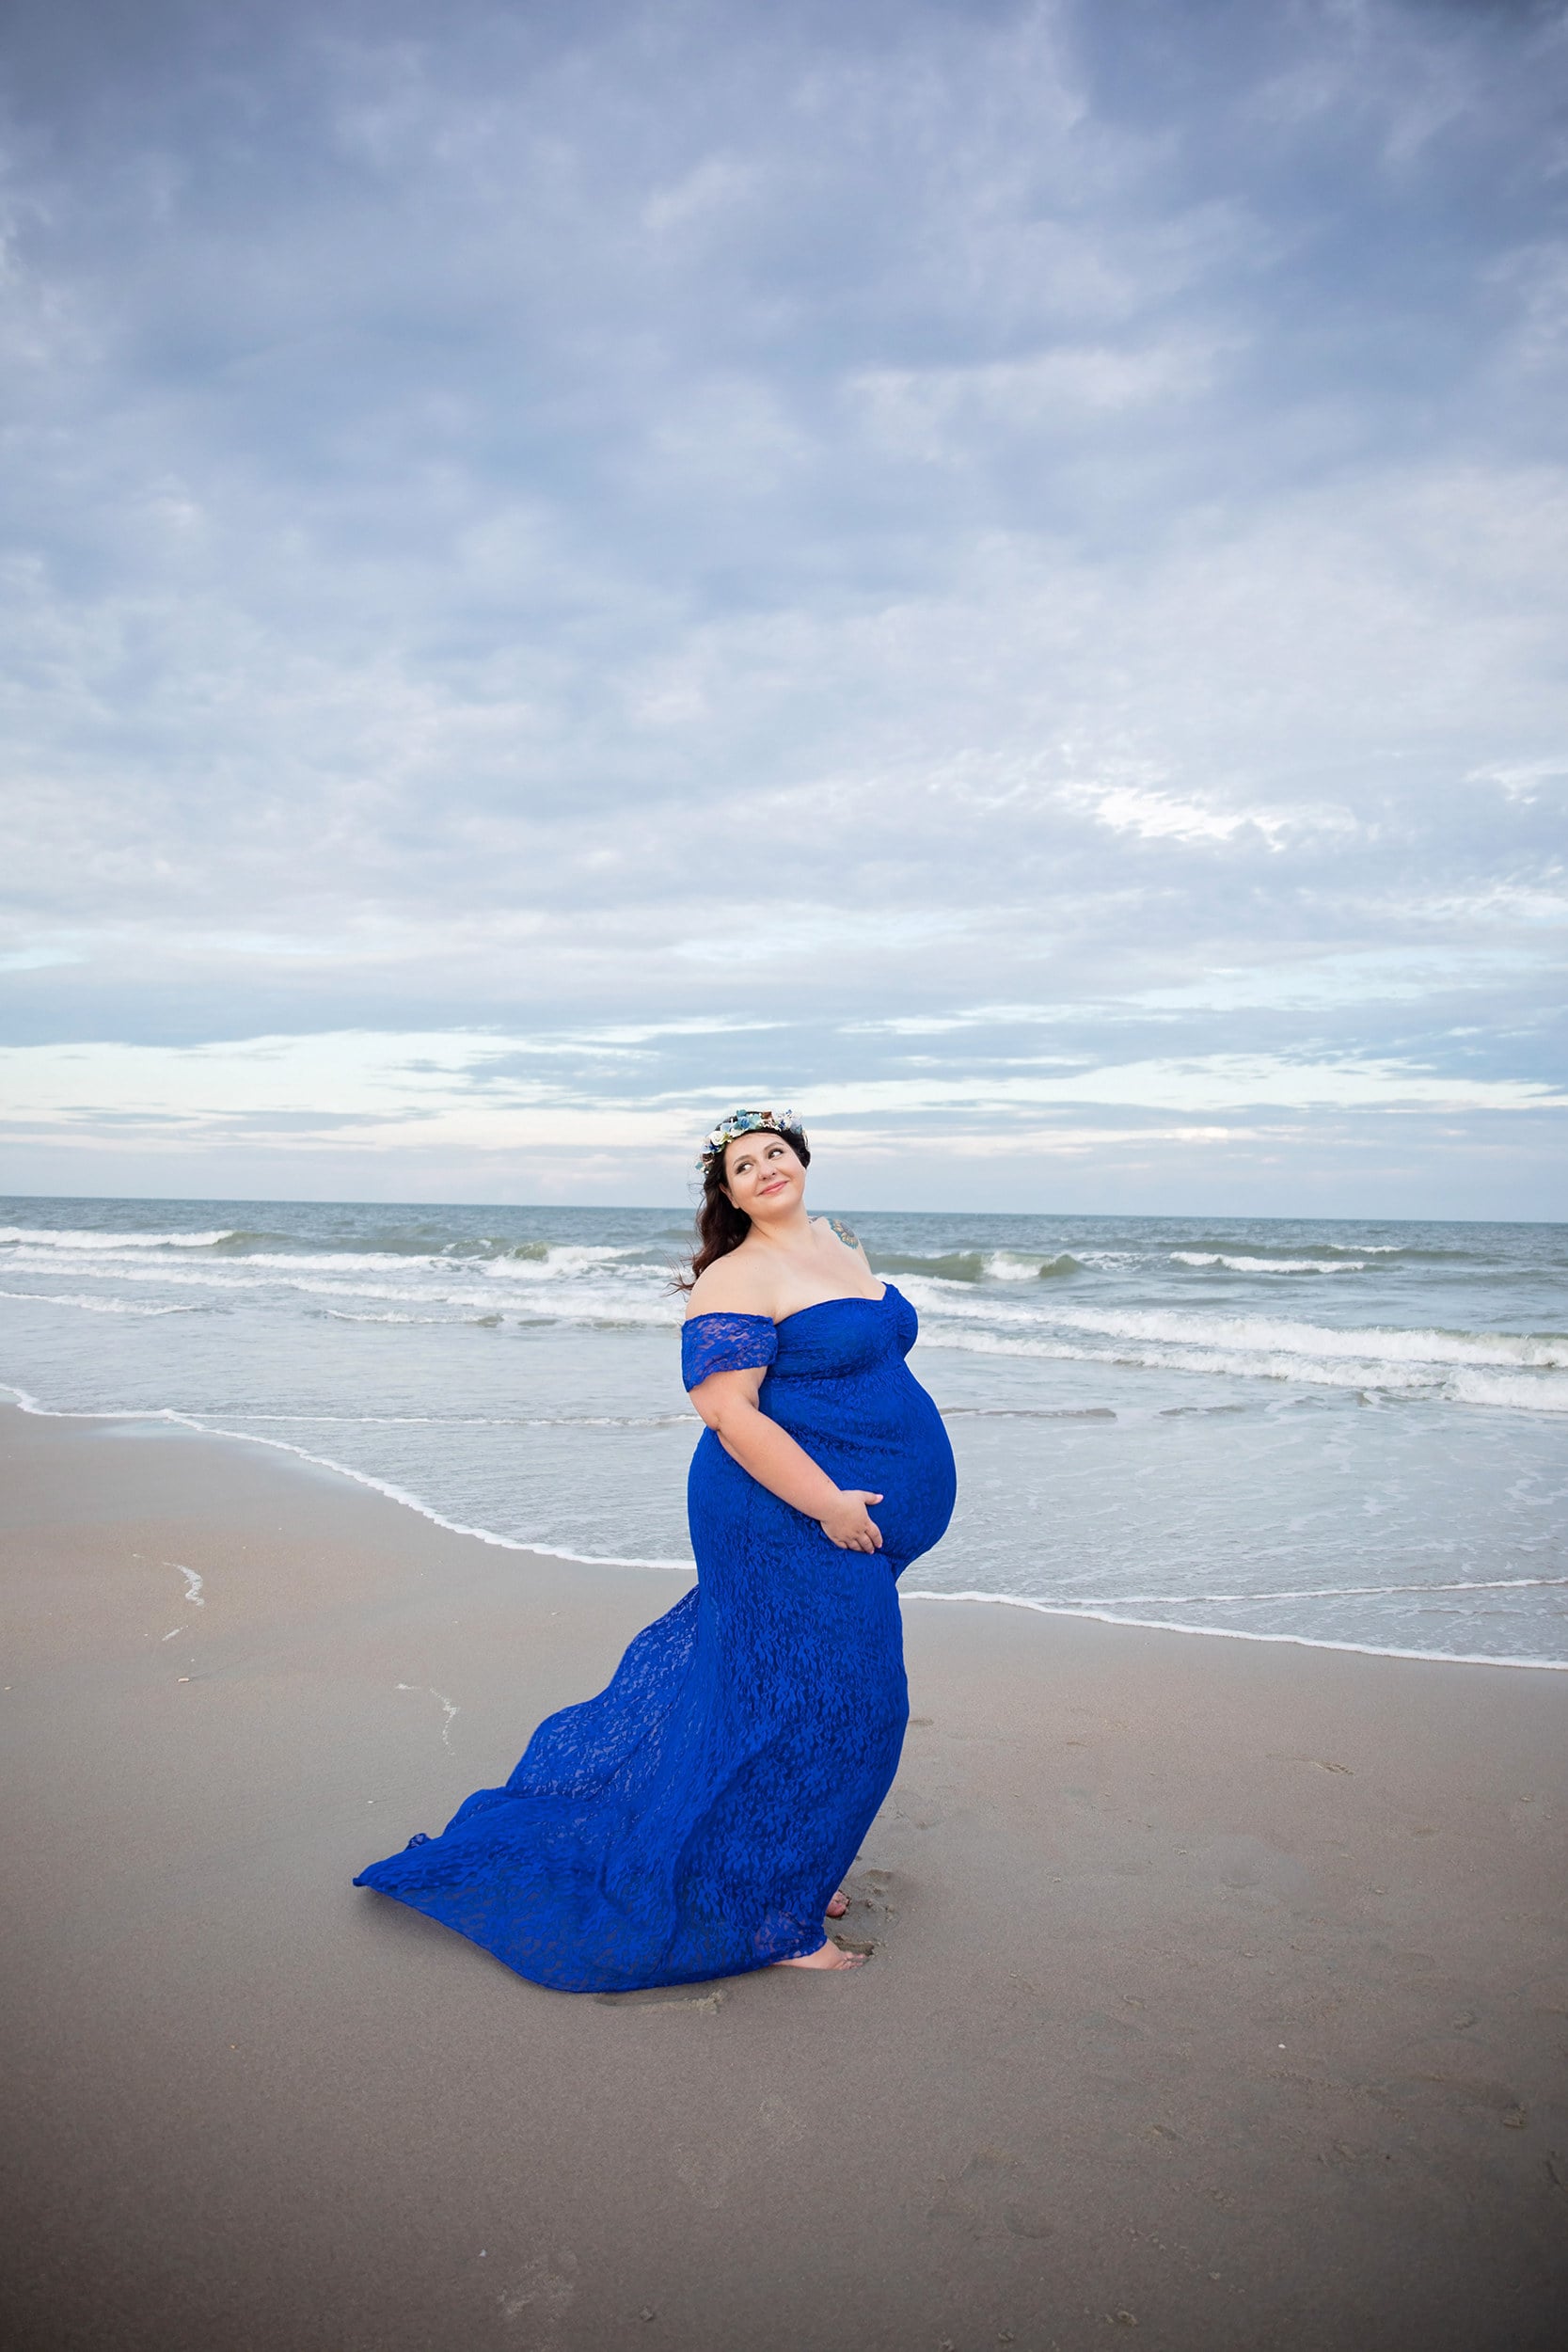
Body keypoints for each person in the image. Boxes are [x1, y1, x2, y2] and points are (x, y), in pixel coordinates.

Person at [354, 1108, 957, 1991]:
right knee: (848, 1707)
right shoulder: (736, 1279)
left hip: (841, 1521)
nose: (764, 1170)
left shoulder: (838, 1245)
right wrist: (826, 1500)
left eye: (775, 1154)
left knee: (783, 1697)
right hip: (780, 1515)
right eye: (743, 1167)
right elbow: (727, 1412)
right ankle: (771, 1916)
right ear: (728, 1194)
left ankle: (787, 1864)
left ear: (802, 1163)